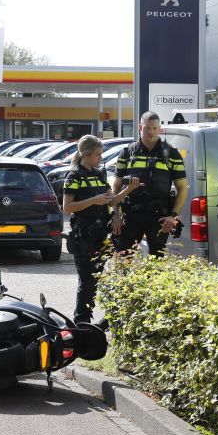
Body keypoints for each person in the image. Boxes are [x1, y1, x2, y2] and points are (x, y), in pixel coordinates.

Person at [62, 135, 139, 324]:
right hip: (83, 235)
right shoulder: (74, 176)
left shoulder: (100, 174)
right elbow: (67, 207)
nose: (100, 158)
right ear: (85, 154)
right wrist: (92, 201)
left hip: (101, 235)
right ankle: (82, 322)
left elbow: (112, 201)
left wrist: (128, 190)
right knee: (87, 281)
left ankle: (104, 320)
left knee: (100, 279)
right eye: (97, 155)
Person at [112, 112, 188, 257]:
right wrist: (116, 215)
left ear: (159, 129)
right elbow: (116, 186)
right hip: (131, 216)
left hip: (159, 217)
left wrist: (173, 216)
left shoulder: (172, 153)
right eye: (147, 128)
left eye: (154, 128)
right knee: (123, 259)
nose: (150, 132)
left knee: (157, 265)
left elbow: (182, 188)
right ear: (140, 127)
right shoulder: (127, 152)